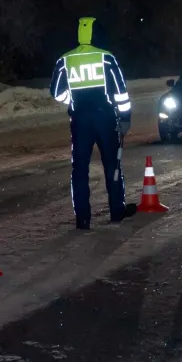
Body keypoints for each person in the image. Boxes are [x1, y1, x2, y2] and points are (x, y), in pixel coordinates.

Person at [50, 16, 136, 229]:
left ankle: (83, 219)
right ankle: (117, 211)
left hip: (79, 121)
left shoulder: (65, 60)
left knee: (79, 170)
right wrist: (125, 118)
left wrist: (72, 102)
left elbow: (55, 92)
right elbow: (120, 93)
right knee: (112, 166)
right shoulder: (106, 58)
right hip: (106, 120)